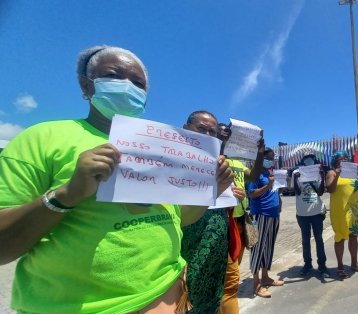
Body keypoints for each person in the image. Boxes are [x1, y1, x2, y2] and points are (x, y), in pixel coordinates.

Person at [0, 45, 232, 313]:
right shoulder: (42, 138)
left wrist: (209, 189)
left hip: (170, 294)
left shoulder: (159, 146)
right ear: (86, 86)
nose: (127, 86)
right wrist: (68, 194)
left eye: (137, 83)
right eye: (114, 75)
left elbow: (181, 218)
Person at [180, 111, 245, 314]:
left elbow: (226, 197)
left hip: (218, 238)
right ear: (186, 128)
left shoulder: (220, 162)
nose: (208, 134)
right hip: (188, 240)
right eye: (201, 128)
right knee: (188, 296)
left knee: (220, 290)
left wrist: (237, 195)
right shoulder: (175, 160)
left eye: (212, 131)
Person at [217, 122, 265, 314]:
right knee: (228, 277)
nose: (225, 137)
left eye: (227, 134)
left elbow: (253, 177)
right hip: (221, 220)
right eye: (221, 134)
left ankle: (225, 302)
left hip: (239, 220)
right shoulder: (213, 158)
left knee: (233, 269)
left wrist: (260, 153)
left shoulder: (237, 162)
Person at [325, 150, 358, 279]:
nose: (342, 161)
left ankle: (354, 263)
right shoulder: (331, 172)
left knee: (353, 236)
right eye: (339, 159)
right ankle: (340, 266)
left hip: (354, 210)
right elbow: (330, 189)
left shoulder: (352, 173)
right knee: (340, 237)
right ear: (335, 161)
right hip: (340, 211)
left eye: (345, 158)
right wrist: (337, 175)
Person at [248, 148, 284, 298]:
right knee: (257, 248)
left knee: (268, 247)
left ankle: (265, 277)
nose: (271, 160)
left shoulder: (271, 172)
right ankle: (256, 284)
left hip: (274, 214)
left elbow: (274, 191)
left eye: (272, 158)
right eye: (269, 157)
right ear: (261, 158)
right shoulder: (254, 173)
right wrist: (268, 186)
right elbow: (252, 194)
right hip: (260, 215)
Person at [292, 153, 330, 277]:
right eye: (306, 157)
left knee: (319, 239)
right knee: (305, 240)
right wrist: (295, 179)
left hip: (316, 213)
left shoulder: (317, 171)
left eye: (311, 157)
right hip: (302, 213)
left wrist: (322, 177)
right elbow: (297, 192)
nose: (309, 159)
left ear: (314, 159)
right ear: (302, 159)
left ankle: (322, 265)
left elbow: (320, 192)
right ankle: (307, 264)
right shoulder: (296, 172)